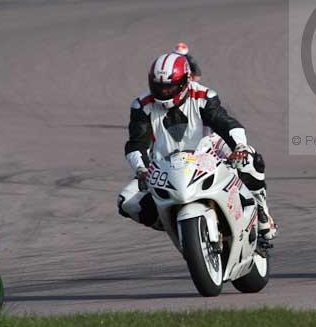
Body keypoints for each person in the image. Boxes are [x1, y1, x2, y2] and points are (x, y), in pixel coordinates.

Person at [117, 52, 277, 239]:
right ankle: (169, 222)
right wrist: (141, 169)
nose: (164, 92)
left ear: (185, 81)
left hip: (209, 155)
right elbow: (137, 143)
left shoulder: (204, 96)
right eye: (159, 86)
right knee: (127, 201)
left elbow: (225, 123)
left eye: (170, 87)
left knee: (250, 158)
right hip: (164, 166)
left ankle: (261, 211)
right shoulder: (141, 106)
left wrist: (240, 147)